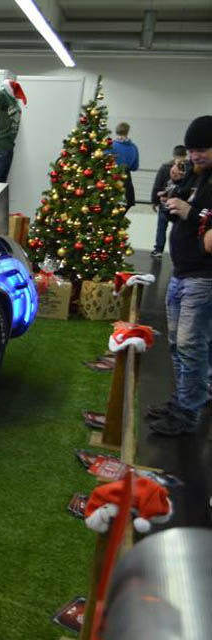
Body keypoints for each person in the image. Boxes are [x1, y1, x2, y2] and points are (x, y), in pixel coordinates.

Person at [147, 116, 212, 436]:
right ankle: (182, 401)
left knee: (190, 346)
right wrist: (171, 199)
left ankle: (188, 411)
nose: (195, 155)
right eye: (191, 150)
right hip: (182, 270)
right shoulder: (197, 176)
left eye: (202, 150)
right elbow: (181, 209)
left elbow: (199, 217)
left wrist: (191, 212)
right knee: (178, 344)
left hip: (203, 276)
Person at [151, 145, 188, 257]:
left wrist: (154, 201)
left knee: (161, 227)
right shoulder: (189, 168)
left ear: (174, 154)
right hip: (181, 202)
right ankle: (179, 251)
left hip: (165, 202)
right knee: (179, 228)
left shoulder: (165, 167)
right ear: (186, 155)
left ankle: (158, 249)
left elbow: (157, 184)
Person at [111, 122, 140, 209]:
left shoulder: (111, 146)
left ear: (116, 131)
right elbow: (135, 167)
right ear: (128, 132)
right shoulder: (133, 147)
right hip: (126, 178)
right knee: (126, 204)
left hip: (112, 177)